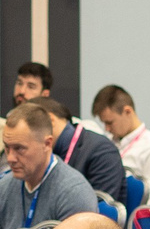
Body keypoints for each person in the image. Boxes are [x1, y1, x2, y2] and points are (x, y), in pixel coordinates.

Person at [0, 103, 100, 229]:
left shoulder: (74, 193)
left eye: (19, 148)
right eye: (7, 148)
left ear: (47, 144)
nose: (10, 158)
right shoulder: (3, 188)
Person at [13, 69, 125, 203]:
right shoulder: (45, 152)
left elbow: (98, 212)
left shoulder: (101, 151)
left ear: (50, 120)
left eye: (30, 130)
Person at [92, 83, 150, 189]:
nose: (107, 129)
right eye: (104, 123)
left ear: (127, 112)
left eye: (109, 123)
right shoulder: (106, 144)